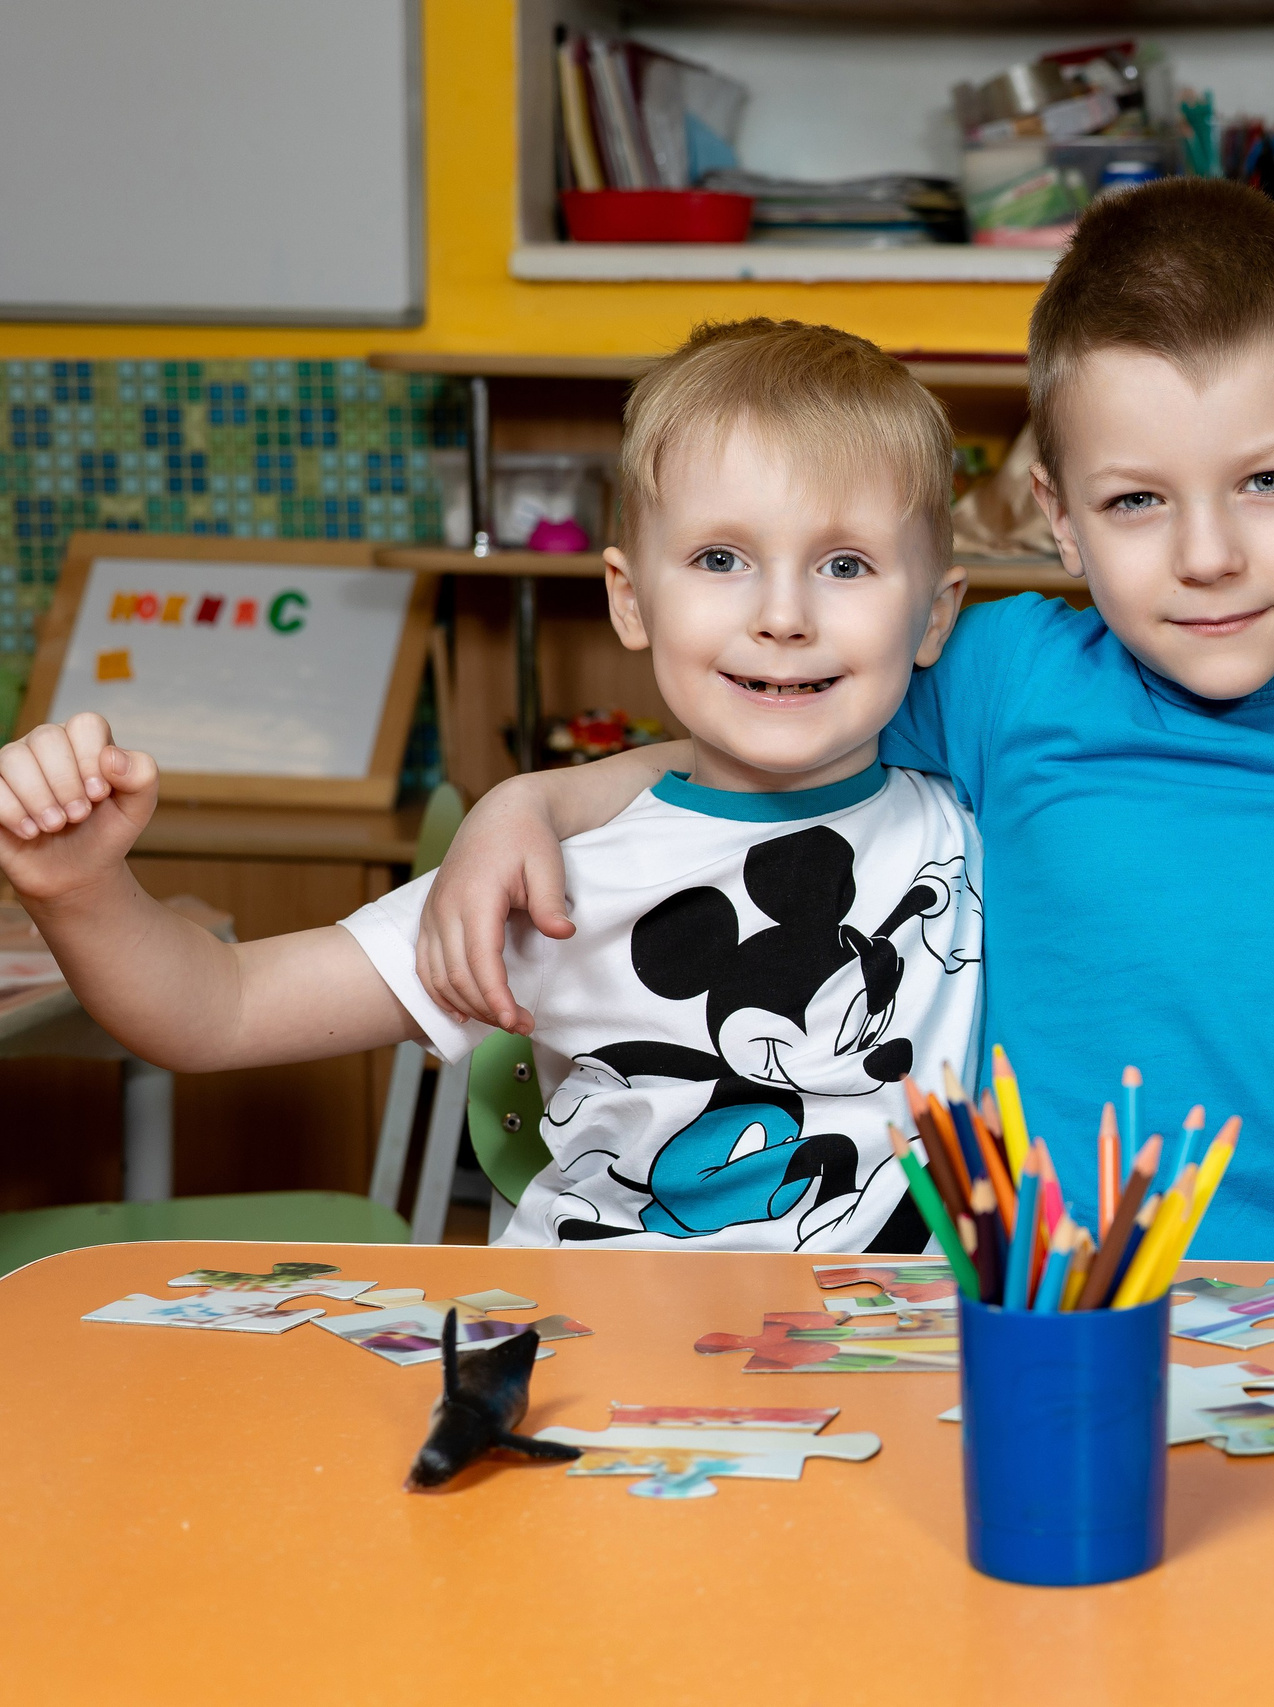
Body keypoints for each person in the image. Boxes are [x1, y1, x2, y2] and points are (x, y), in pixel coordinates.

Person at [408, 178, 1274, 1264]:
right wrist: (532, 799)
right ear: (1059, 519)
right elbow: (772, 721)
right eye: (1135, 501)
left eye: (1267, 483)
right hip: (1044, 1324)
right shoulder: (1009, 675)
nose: (1211, 556)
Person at [0, 319, 981, 1253]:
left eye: (844, 564)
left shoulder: (986, 825)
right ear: (630, 599)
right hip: (605, 1344)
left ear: (934, 617)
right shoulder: (542, 868)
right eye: (719, 558)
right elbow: (219, 1010)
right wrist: (79, 890)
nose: (782, 614)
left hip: (894, 1368)